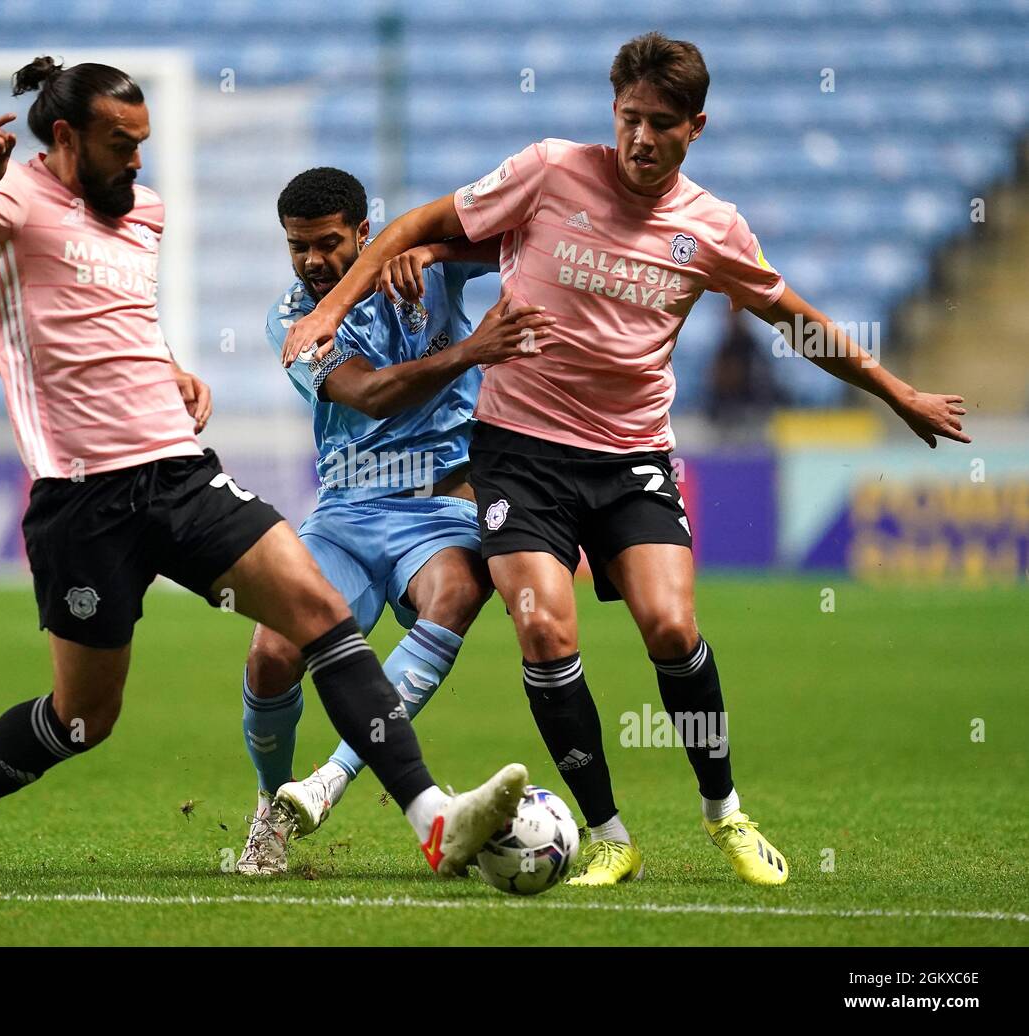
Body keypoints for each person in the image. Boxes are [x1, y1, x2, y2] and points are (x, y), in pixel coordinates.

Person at [280, 32, 969, 888]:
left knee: (671, 628)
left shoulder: (712, 228)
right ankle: (609, 835)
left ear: (697, 128)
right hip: (520, 453)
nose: (641, 139)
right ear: (614, 113)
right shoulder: (550, 170)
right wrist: (329, 310)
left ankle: (726, 813)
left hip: (630, 455)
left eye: (662, 124)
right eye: (629, 119)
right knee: (541, 625)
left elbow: (792, 318)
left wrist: (894, 390)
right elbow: (423, 224)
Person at [0, 57, 528, 888]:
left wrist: (170, 370)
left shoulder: (143, 213)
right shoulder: (12, 198)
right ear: (65, 138)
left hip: (180, 471)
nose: (138, 162)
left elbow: (115, 320)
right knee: (84, 718)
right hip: (83, 496)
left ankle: (430, 817)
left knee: (318, 614)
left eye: (143, 143)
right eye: (121, 145)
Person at [237, 167, 553, 873]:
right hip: (346, 512)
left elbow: (527, 243)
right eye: (297, 247)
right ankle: (269, 810)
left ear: (363, 234)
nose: (312, 261)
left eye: (326, 243)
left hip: (441, 505)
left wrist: (437, 251)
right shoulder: (292, 318)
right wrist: (470, 351)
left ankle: (331, 778)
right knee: (270, 655)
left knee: (458, 593)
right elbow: (371, 395)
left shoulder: (426, 276)